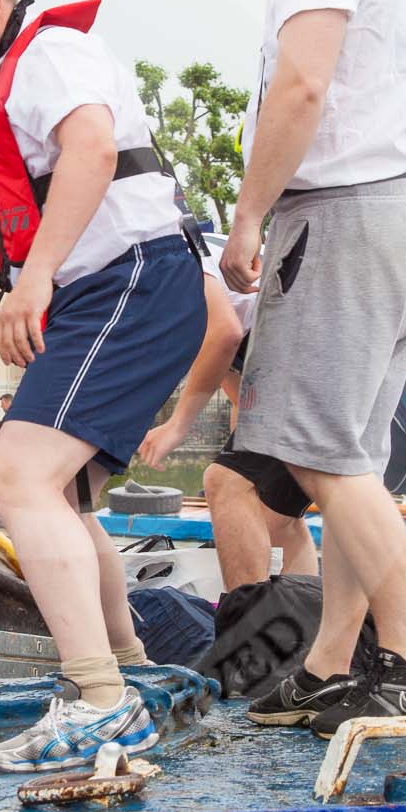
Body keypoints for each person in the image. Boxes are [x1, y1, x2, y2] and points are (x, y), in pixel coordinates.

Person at [0, 0, 204, 772]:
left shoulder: (52, 54)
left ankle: (103, 703)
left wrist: (34, 282)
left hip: (130, 277)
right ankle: (131, 670)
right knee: (60, 490)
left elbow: (94, 151)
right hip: (114, 285)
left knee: (14, 475)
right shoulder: (1, 78)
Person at [220, 0, 406, 737]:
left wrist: (250, 214)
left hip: (339, 212)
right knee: (352, 460)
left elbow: (301, 87)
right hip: (398, 210)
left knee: (320, 454)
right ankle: (330, 663)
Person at [137, 230, 319, 591]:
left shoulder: (171, 258)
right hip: (313, 347)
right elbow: (240, 399)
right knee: (276, 517)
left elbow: (224, 334)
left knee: (223, 482)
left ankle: (246, 629)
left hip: (304, 348)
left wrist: (177, 424)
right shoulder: (192, 283)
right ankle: (302, 624)